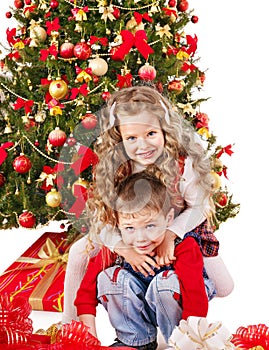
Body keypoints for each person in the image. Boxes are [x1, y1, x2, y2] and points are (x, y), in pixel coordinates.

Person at [62, 85, 233, 323]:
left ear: (164, 129)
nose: (143, 146)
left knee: (224, 286)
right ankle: (70, 324)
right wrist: (122, 248)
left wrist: (170, 236)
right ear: (120, 138)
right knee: (79, 253)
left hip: (178, 228)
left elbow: (199, 207)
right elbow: (102, 217)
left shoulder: (182, 164)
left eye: (151, 134)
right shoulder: (116, 165)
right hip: (133, 231)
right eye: (131, 138)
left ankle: (183, 304)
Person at [74, 171, 216, 349]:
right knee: (109, 278)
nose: (141, 238)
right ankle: (135, 341)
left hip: (180, 310)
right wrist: (89, 342)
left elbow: (196, 298)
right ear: (118, 224)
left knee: (164, 283)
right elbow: (85, 295)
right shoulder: (116, 249)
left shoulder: (183, 246)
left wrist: (190, 341)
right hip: (140, 306)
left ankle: (177, 342)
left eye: (150, 226)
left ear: (168, 219)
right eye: (130, 228)